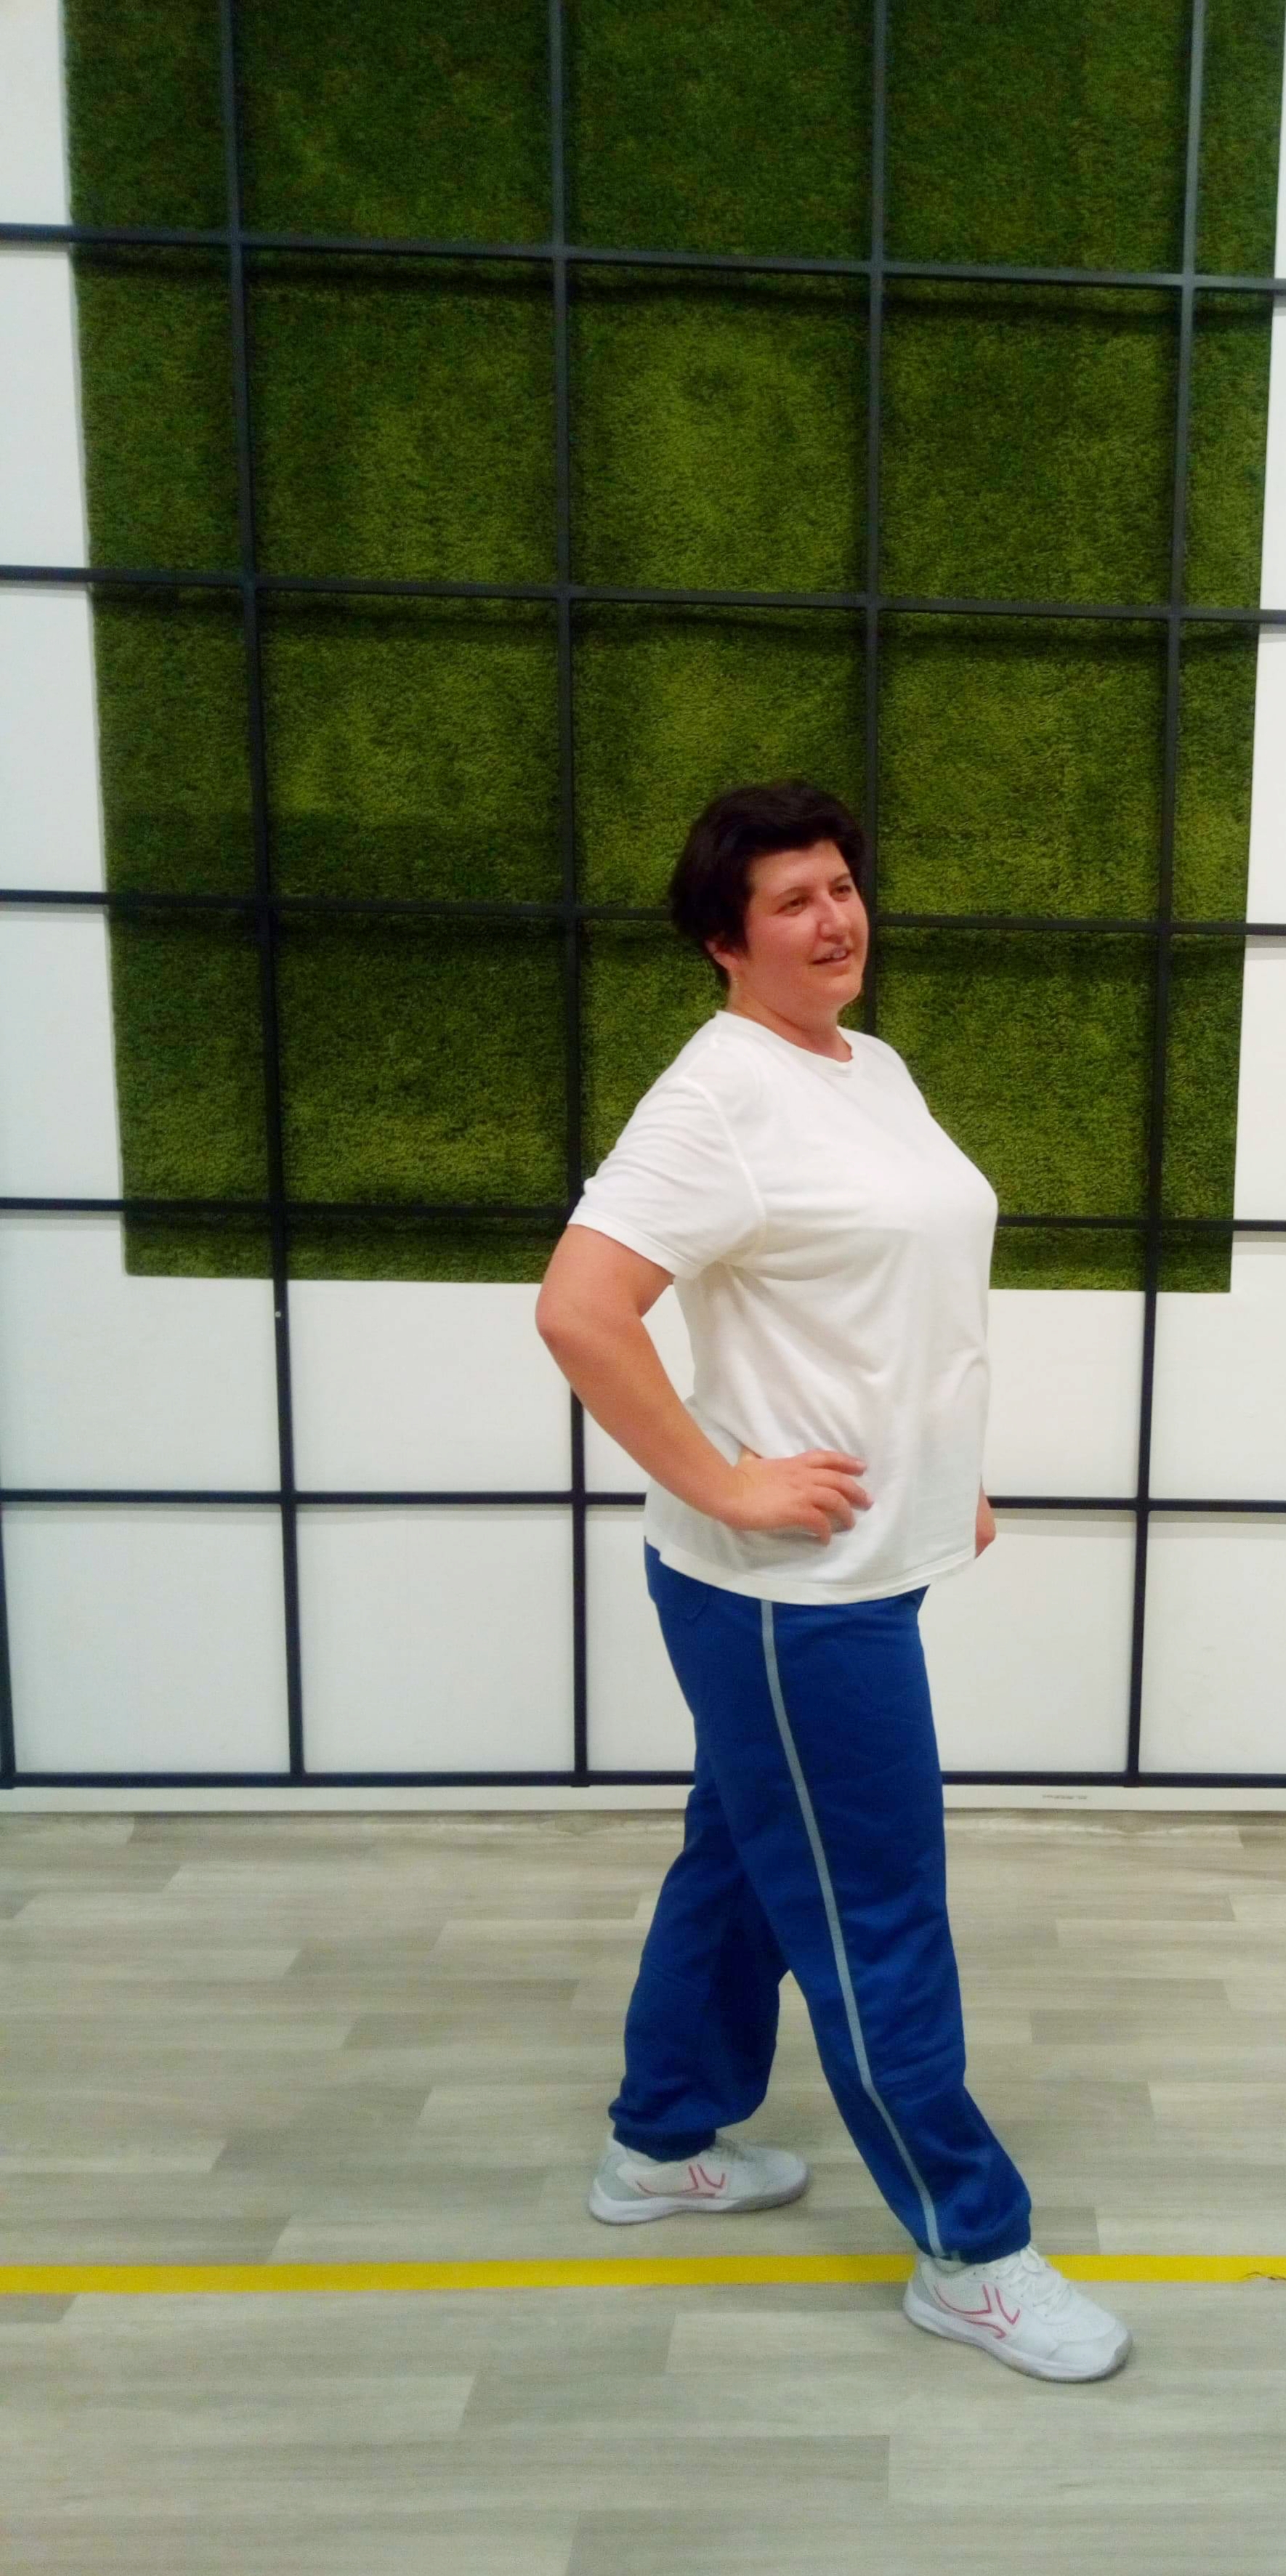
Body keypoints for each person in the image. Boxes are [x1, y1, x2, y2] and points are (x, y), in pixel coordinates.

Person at [535, 779, 1131, 2383]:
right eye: (792, 899)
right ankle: (970, 2249)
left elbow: (886, 1305)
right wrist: (725, 1478)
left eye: (843, 886)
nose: (834, 917)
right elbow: (581, 1308)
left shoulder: (868, 1066)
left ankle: (659, 2142)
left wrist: (945, 1474)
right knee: (876, 1912)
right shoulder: (715, 1098)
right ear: (725, 941)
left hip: (867, 1555)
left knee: (744, 1855)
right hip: (784, 1596)